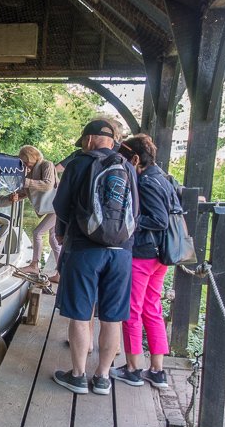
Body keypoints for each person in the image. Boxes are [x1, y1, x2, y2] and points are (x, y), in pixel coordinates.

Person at [52, 119, 139, 395]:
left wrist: (62, 234)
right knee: (113, 316)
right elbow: (137, 211)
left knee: (80, 313)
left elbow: (61, 207)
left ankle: (78, 376)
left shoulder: (79, 163)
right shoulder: (128, 168)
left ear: (89, 139)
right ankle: (102, 377)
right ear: (112, 142)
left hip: (84, 248)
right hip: (122, 252)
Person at [109, 134, 172, 389]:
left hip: (145, 255)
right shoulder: (163, 178)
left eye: (126, 161)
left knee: (132, 310)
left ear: (136, 159)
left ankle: (133, 368)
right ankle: (157, 370)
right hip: (161, 256)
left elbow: (159, 219)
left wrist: (131, 218)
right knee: (152, 309)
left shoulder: (145, 181)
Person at [12, 145, 60, 281]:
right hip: (53, 208)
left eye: (26, 161)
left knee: (37, 233)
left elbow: (47, 185)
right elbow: (25, 192)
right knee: (54, 239)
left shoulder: (47, 165)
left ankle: (34, 265)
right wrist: (13, 197)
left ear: (32, 156)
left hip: (57, 207)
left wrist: (23, 181)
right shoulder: (29, 174)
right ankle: (60, 273)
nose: (25, 164)